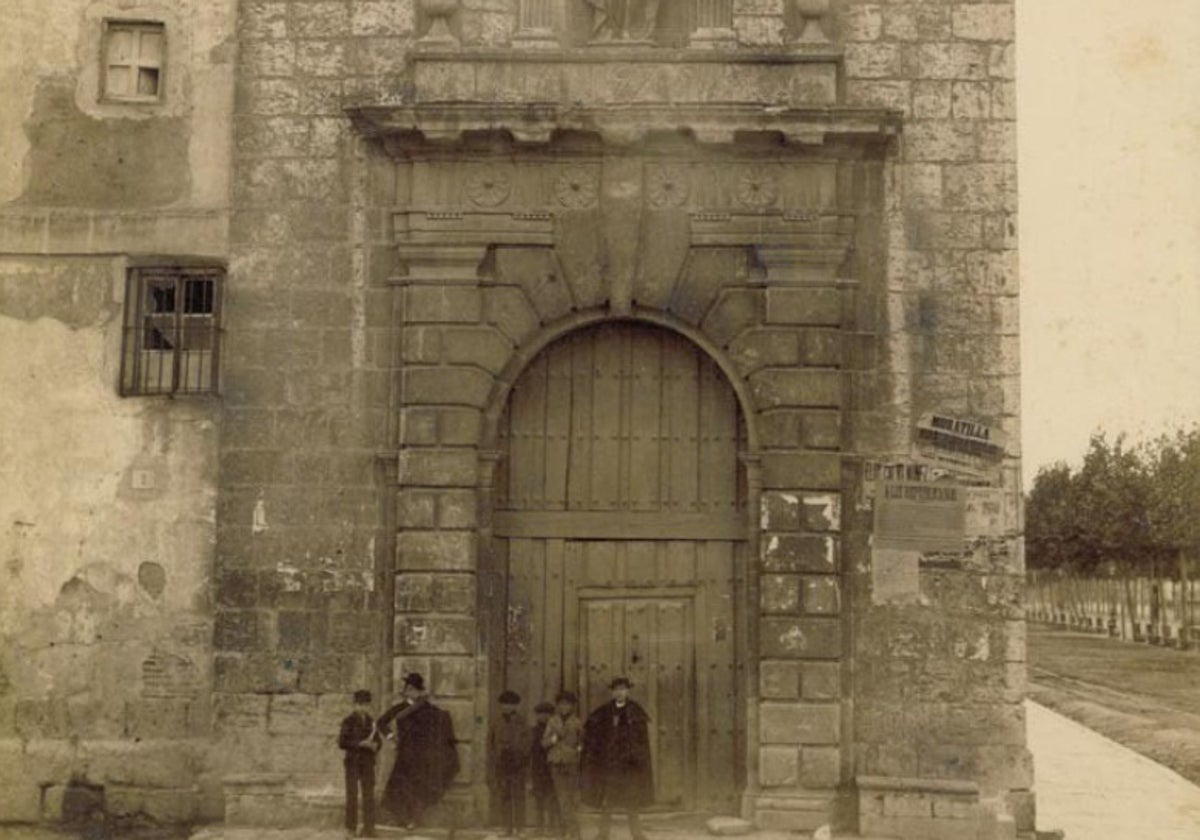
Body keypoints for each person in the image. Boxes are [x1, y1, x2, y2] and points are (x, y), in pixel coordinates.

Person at [377, 672, 460, 829]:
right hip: (405, 753)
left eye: (416, 689)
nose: (413, 692)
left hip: (422, 755)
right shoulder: (400, 708)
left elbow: (440, 721)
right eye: (410, 689)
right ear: (407, 690)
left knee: (419, 787)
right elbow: (381, 722)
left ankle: (413, 819)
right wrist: (391, 737)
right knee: (401, 786)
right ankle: (404, 818)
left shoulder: (427, 707)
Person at [581, 678, 652, 840]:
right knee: (608, 801)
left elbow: (642, 740)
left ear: (628, 691)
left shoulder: (636, 710)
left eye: (623, 689)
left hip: (629, 765)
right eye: (617, 689)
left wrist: (636, 758)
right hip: (610, 765)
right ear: (612, 692)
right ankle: (603, 834)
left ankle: (637, 834)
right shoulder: (604, 711)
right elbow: (592, 731)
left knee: (632, 801)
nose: (620, 692)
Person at [338, 689, 382, 838]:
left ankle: (369, 828)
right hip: (352, 763)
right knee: (352, 795)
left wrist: (376, 745)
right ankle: (351, 829)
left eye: (366, 705)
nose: (363, 708)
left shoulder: (371, 722)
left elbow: (378, 741)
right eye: (360, 704)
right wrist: (360, 744)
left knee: (369, 796)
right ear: (354, 705)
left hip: (368, 763)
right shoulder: (348, 721)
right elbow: (342, 742)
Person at [542, 690, 583, 840]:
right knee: (561, 797)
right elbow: (544, 743)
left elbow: (582, 742)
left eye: (567, 704)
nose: (564, 707)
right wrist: (552, 740)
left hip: (571, 763)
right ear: (558, 706)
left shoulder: (577, 722)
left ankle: (568, 830)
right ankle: (571, 831)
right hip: (556, 763)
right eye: (561, 704)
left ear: (572, 706)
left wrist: (579, 749)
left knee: (570, 798)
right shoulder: (552, 721)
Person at [489, 690, 531, 836]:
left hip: (517, 763)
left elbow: (527, 742)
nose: (507, 707)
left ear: (516, 706)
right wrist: (495, 757)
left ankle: (520, 828)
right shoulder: (495, 721)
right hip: (502, 763)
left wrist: (520, 755)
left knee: (518, 795)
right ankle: (506, 827)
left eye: (510, 704)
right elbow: (491, 742)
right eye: (504, 704)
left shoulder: (522, 721)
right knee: (504, 795)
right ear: (501, 705)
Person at [530, 701, 560, 836]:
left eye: (547, 714)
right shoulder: (533, 731)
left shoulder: (555, 730)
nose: (543, 717)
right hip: (537, 767)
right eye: (540, 714)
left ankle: (552, 826)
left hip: (552, 768)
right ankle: (539, 827)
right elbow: (531, 750)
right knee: (539, 798)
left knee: (552, 798)